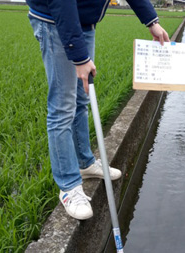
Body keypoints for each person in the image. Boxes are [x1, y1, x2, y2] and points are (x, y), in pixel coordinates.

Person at [25, 0, 170, 220]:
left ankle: (85, 163)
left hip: (84, 22)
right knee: (62, 108)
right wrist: (79, 56)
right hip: (54, 19)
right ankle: (68, 186)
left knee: (81, 101)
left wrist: (151, 21)